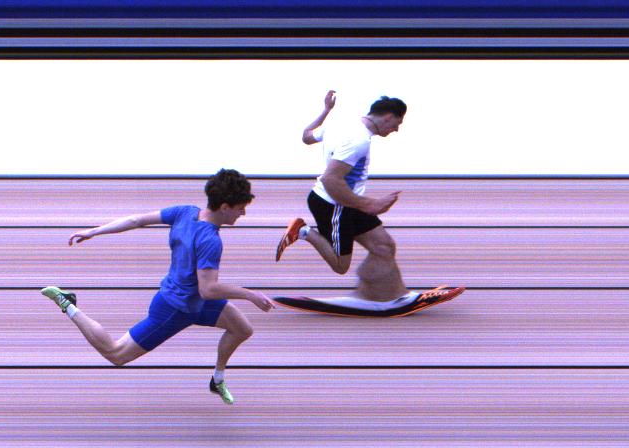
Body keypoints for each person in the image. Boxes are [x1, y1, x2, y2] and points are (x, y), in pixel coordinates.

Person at [40, 168, 272, 404]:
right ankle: (68, 304)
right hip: (175, 308)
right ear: (224, 207)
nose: (243, 213)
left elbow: (136, 220)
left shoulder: (185, 212)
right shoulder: (210, 240)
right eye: (240, 208)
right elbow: (208, 289)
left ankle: (217, 380)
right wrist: (250, 295)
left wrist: (94, 231)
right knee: (116, 353)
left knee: (242, 329)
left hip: (197, 302)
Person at [276, 92, 426, 306]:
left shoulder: (339, 124)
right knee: (340, 265)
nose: (396, 130)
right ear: (388, 117)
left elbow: (307, 136)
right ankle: (303, 231)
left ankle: (385, 296)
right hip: (333, 204)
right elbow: (330, 180)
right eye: (397, 124)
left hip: (348, 202)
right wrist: (371, 204)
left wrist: (326, 111)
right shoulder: (358, 140)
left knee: (384, 246)